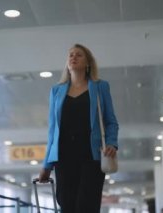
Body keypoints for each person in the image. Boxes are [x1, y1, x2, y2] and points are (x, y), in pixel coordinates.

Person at [38, 43, 119, 213]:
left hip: (91, 157)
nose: (73, 57)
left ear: (88, 63)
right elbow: (53, 131)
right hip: (64, 158)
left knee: (86, 206)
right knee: (67, 206)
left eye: (79, 55)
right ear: (67, 63)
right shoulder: (56, 91)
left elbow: (110, 121)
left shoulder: (100, 87)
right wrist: (46, 165)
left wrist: (112, 143)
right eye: (71, 55)